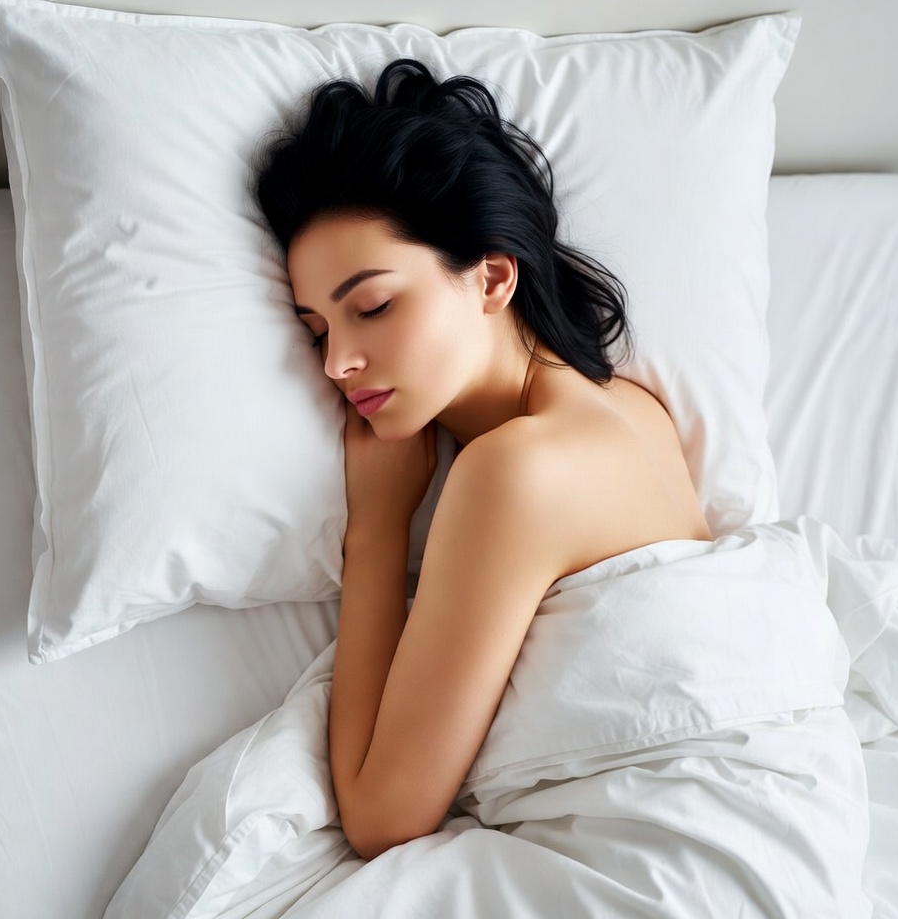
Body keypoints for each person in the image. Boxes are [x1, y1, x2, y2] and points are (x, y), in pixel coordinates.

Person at [255, 58, 712, 862]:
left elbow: (381, 818)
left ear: (493, 276)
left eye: (372, 306)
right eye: (319, 330)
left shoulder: (517, 470)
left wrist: (378, 527)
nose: (336, 365)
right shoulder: (636, 405)